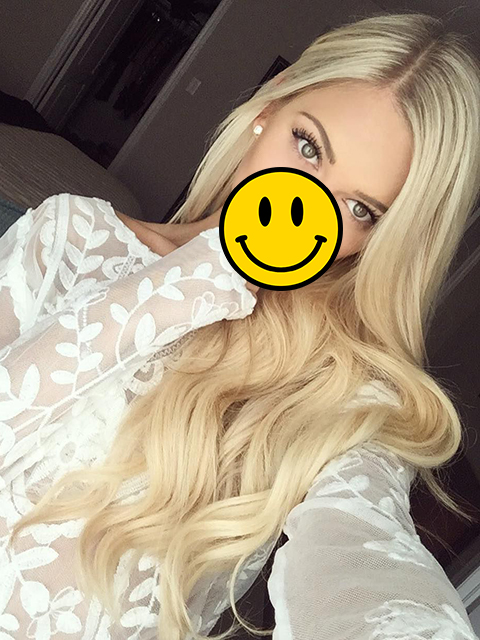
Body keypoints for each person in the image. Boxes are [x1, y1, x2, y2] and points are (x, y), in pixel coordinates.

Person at [1, 11, 480, 640]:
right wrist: (207, 269)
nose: (300, 205)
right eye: (307, 147)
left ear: (379, 242)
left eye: (359, 208)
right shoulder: (69, 232)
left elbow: (362, 550)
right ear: (268, 109)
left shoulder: (341, 391)